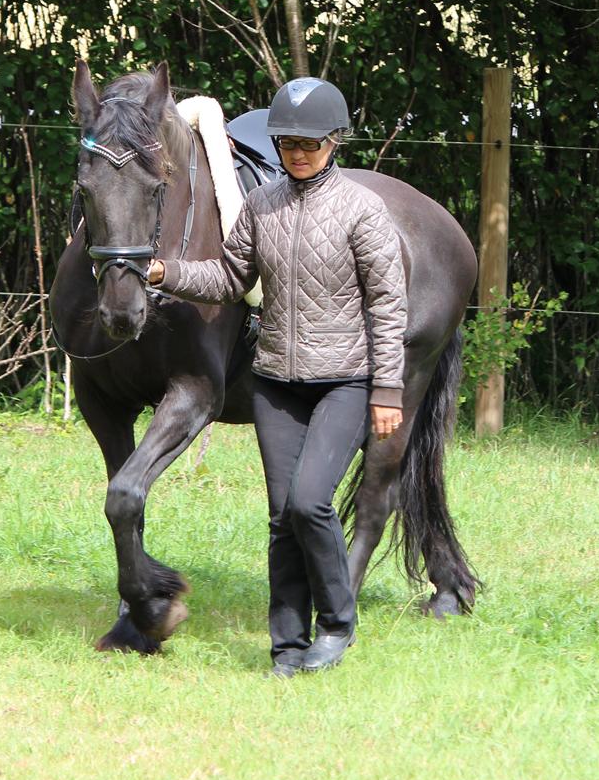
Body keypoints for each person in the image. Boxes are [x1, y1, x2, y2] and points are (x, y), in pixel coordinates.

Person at [147, 78, 406, 677]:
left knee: (311, 502)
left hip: (344, 380)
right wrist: (165, 272)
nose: (298, 153)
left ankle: (337, 624)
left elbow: (389, 306)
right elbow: (228, 279)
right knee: (283, 515)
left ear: (334, 142)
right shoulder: (261, 206)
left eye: (310, 144)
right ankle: (287, 646)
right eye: (288, 143)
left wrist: (388, 389)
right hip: (275, 383)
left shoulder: (363, 210)